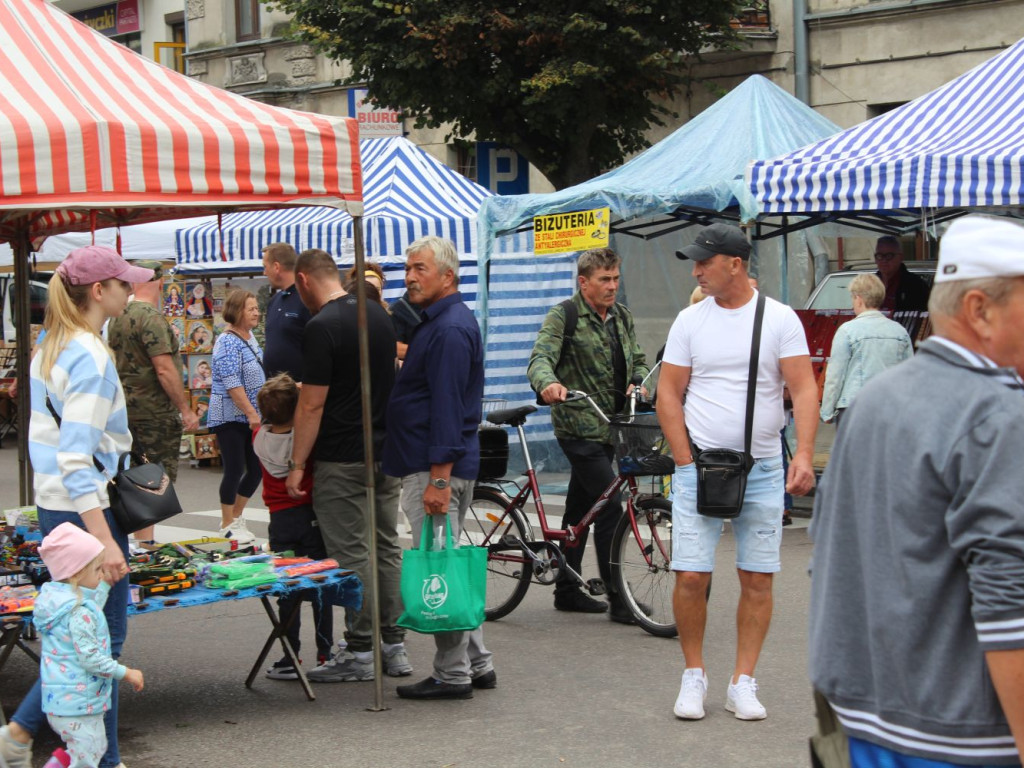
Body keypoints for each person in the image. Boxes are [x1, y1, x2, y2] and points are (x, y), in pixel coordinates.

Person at [809, 215, 1024, 767]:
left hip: (864, 721)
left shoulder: (878, 399)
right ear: (980, 309)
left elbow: (834, 553)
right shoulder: (998, 414)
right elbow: (1011, 606)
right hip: (961, 735)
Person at [0, 245, 153, 768]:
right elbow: (76, 456)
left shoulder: (52, 344)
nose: (129, 291)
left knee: (75, 638)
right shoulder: (88, 353)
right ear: (98, 291)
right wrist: (106, 539)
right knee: (100, 640)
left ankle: (24, 734)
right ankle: (98, 759)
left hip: (57, 506)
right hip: (87, 510)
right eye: (123, 284)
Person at [657, 223, 817, 721]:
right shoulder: (690, 320)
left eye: (705, 261)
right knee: (689, 575)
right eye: (696, 262)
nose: (697, 270)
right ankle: (693, 675)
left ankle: (742, 681)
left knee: (758, 577)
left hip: (764, 467)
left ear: (736, 264)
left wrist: (805, 453)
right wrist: (684, 460)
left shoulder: (779, 319)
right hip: (699, 467)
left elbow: (804, 388)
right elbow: (668, 392)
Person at [285, 248, 412, 682]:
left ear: (303, 280)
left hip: (342, 455)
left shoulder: (321, 326)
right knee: (386, 547)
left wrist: (297, 463)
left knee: (353, 555)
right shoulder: (378, 315)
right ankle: (394, 644)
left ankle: (360, 649)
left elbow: (312, 404)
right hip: (383, 449)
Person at [383, 236, 496, 700]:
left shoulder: (449, 328)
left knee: (436, 572)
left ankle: (453, 675)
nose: (410, 276)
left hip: (434, 467)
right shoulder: (441, 321)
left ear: (447, 276)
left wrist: (438, 479)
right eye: (408, 268)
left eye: (420, 269)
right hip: (437, 463)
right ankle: (477, 663)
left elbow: (448, 408)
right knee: (445, 559)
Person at [527, 247, 649, 621]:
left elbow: (638, 359)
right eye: (604, 280)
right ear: (584, 282)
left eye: (615, 278)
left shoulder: (621, 317)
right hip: (578, 425)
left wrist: (638, 382)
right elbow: (540, 359)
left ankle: (566, 589)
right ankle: (620, 599)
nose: (612, 286)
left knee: (581, 509)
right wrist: (548, 384)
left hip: (612, 426)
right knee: (611, 506)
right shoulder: (563, 316)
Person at [32, 524, 145, 768]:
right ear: (75, 574)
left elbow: (90, 603)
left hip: (63, 701)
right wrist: (126, 673)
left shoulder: (57, 600)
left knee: (88, 751)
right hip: (79, 702)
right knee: (88, 756)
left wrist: (104, 584)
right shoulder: (77, 613)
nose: (100, 573)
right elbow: (91, 659)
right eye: (96, 569)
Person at [107, 260, 200, 551]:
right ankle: (145, 545)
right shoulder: (152, 318)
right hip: (153, 412)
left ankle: (138, 543)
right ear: (160, 283)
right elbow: (164, 369)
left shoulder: (118, 316)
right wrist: (185, 409)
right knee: (152, 481)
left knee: (130, 476)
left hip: (126, 411)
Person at [253, 374, 334, 679]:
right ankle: (325, 653)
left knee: (287, 585)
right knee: (320, 582)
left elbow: (271, 413)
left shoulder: (258, 438)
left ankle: (290, 655)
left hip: (279, 520)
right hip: (309, 515)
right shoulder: (305, 438)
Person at [207, 289, 264, 545]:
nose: (256, 312)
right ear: (237, 311)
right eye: (251, 308)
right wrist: (251, 412)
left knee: (255, 470)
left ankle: (237, 516)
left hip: (252, 415)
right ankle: (227, 523)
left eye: (256, 308)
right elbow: (232, 382)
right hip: (230, 415)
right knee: (234, 469)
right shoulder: (227, 341)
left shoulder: (250, 337)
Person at [819, 273, 913, 427]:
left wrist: (827, 411)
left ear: (859, 299)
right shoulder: (900, 332)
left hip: (854, 408)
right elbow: (909, 377)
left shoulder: (847, 331)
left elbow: (835, 376)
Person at [261, 243, 311, 381]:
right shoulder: (274, 300)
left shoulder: (307, 299)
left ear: (276, 267)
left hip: (299, 393)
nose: (264, 273)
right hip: (275, 393)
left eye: (265, 267)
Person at [873, 235, 930, 312]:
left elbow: (925, 316)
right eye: (879, 256)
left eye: (889, 256)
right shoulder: (868, 284)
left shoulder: (916, 285)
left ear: (900, 257)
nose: (884, 260)